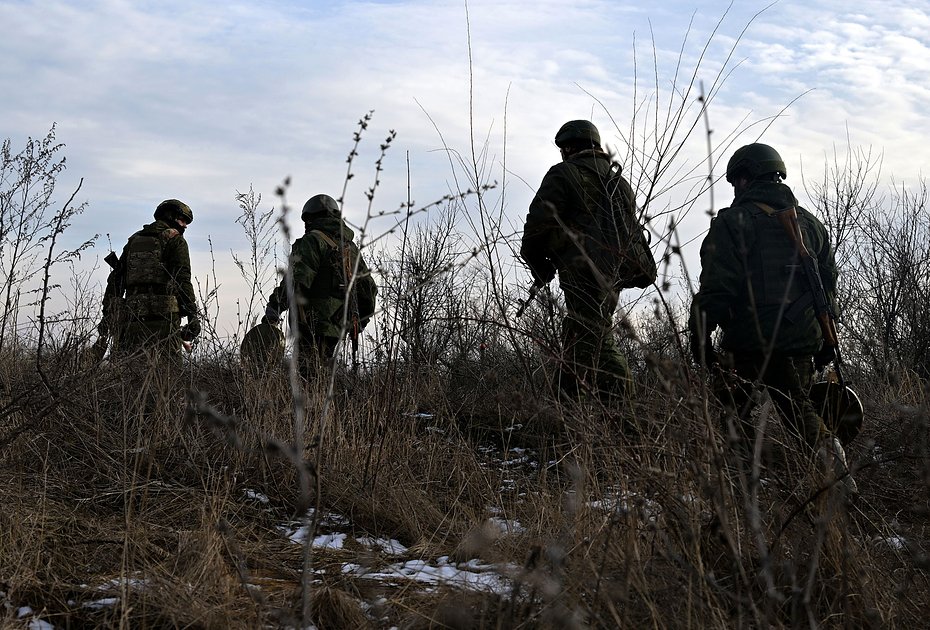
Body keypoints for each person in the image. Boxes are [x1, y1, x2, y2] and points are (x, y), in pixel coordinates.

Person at [689, 142, 856, 493]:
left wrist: (700, 337)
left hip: (749, 341)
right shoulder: (811, 224)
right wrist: (828, 340)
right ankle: (837, 483)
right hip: (800, 339)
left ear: (746, 178)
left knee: (733, 413)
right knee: (802, 415)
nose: (736, 189)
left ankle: (743, 486)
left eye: (737, 181)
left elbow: (717, 288)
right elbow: (827, 287)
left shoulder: (732, 222)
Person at [520, 120, 640, 401]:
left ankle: (629, 416)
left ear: (569, 147)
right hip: (614, 273)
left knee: (594, 335)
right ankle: (565, 408)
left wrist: (539, 264)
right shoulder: (618, 182)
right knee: (579, 334)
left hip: (581, 271)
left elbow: (537, 226)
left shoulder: (564, 174)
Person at [262, 194, 377, 375]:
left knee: (307, 375)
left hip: (311, 322)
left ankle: (313, 402)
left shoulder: (313, 241)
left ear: (313, 217)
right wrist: (361, 320)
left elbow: (297, 279)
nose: (306, 224)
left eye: (308, 219)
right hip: (338, 323)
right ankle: (329, 401)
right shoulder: (351, 248)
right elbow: (368, 289)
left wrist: (275, 306)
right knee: (323, 371)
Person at [99, 199, 200, 360]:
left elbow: (116, 282)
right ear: (170, 217)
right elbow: (182, 280)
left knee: (127, 375)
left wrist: (107, 315)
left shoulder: (133, 241)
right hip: (164, 323)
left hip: (131, 321)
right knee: (167, 378)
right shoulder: (176, 241)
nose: (185, 226)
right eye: (183, 220)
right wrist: (193, 316)